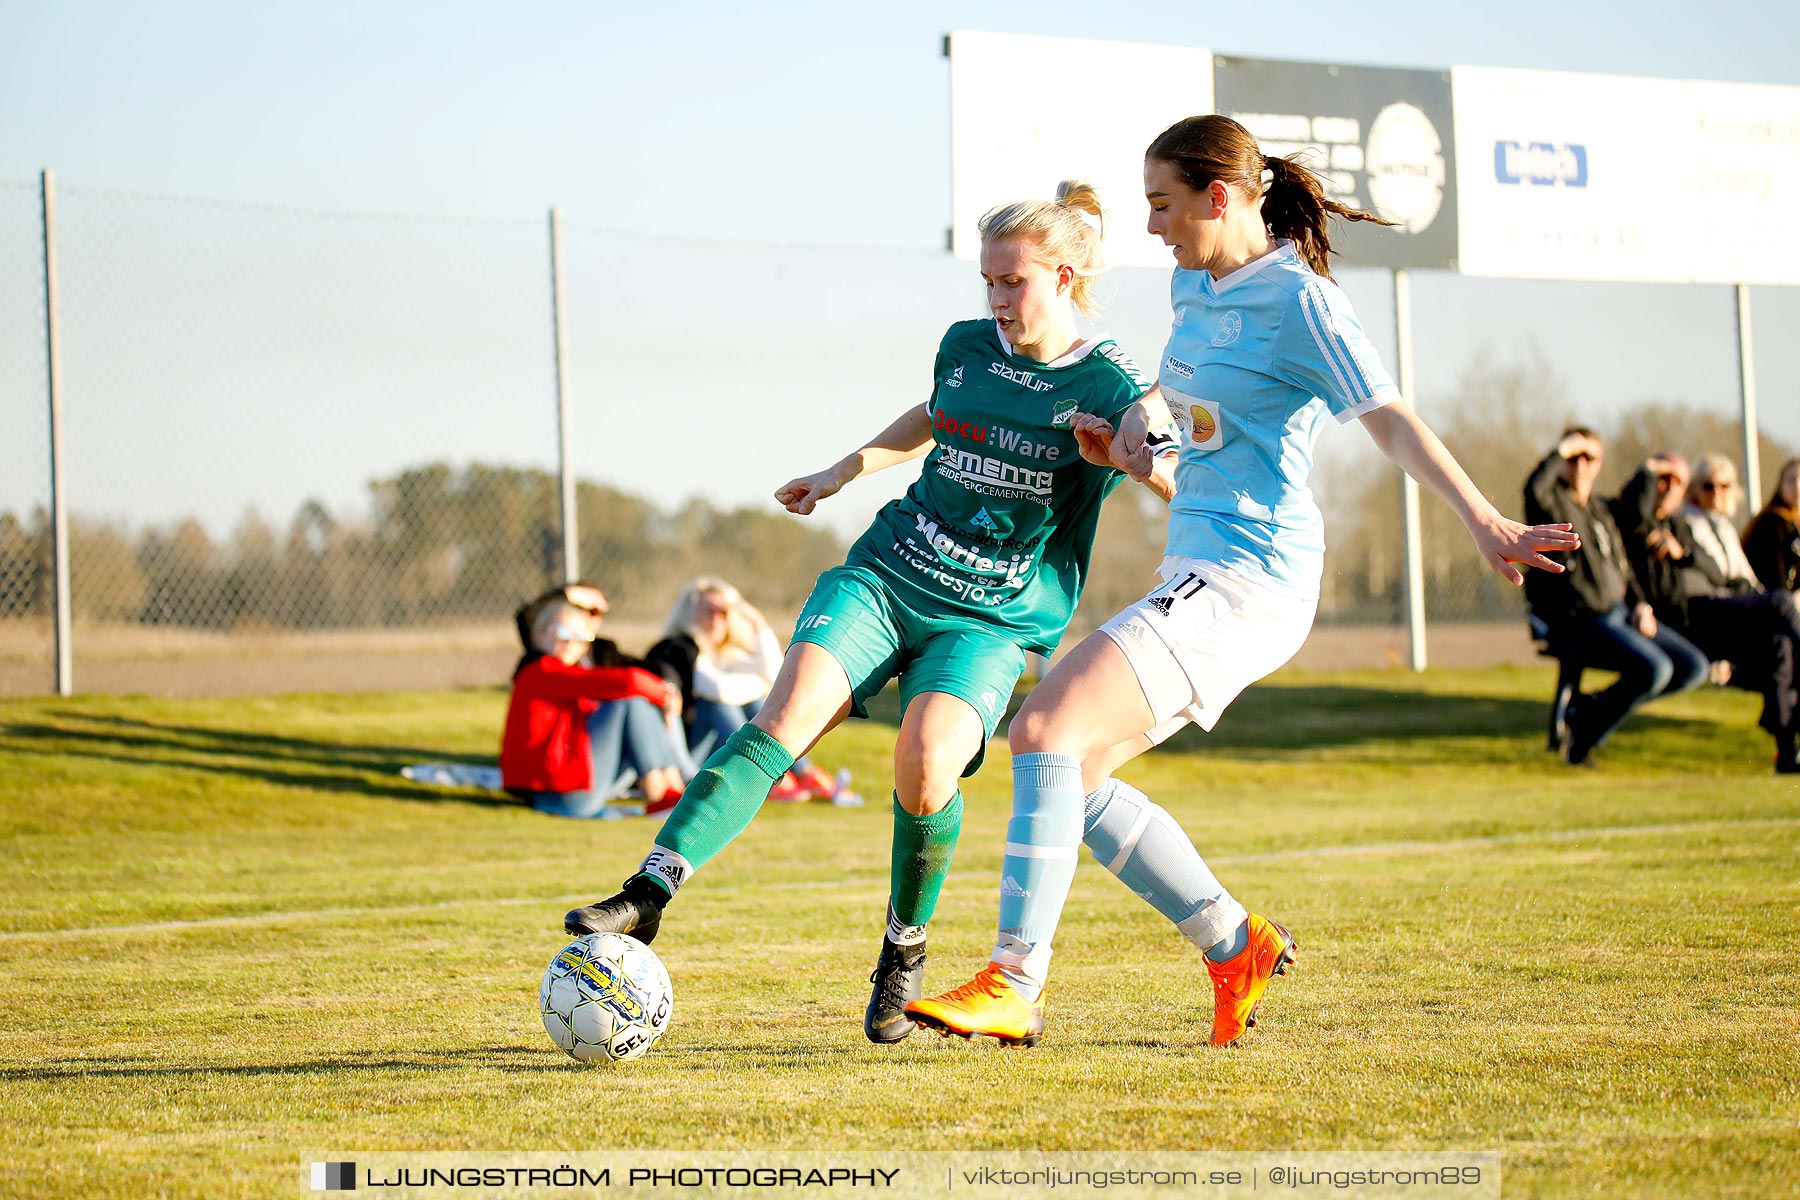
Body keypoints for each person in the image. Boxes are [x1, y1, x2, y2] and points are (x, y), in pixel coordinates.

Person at [903, 114, 1579, 1050]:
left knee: (1045, 729)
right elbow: (1190, 409)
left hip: (1251, 580)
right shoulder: (1194, 282)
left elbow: (1389, 420)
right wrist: (1139, 437)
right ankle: (1235, 944)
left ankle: (1017, 982)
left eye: (1163, 205)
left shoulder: (1303, 305)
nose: (1151, 229)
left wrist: (1486, 520)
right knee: (1078, 774)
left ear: (1220, 198)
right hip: (1200, 564)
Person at [562, 181, 1181, 1044]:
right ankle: (649, 890)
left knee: (925, 761)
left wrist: (1138, 456)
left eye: (1014, 282)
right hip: (889, 573)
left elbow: (1160, 470)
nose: (998, 301)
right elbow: (935, 415)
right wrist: (841, 471)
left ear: (1065, 277)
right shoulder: (965, 345)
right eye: (989, 283)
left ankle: (903, 946)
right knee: (784, 715)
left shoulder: (1108, 381)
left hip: (991, 622)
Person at [1522, 431, 1707, 766]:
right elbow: (1532, 490)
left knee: (1693, 667)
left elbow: (1625, 560)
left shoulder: (1601, 510)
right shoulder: (1554, 506)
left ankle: (1587, 715)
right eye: (1573, 457)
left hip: (1622, 611)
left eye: (1588, 457)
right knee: (1656, 669)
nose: (1580, 465)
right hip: (1582, 618)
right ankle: (1586, 733)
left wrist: (1640, 605)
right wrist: (1561, 450)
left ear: (1599, 464)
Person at [647, 579, 842, 801]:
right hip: (683, 754)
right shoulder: (679, 648)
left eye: (724, 613)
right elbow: (719, 691)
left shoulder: (725, 653)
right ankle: (765, 774)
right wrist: (762, 686)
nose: (717, 620)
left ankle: (802, 771)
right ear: (690, 613)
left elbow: (776, 674)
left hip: (717, 746)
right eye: (709, 611)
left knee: (755, 702)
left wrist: (758, 624)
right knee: (718, 705)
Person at [500, 600, 686, 817]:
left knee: (635, 704)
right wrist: (664, 694)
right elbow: (627, 682)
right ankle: (658, 794)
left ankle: (673, 789)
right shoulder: (539, 671)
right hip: (560, 795)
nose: (572, 643)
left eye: (582, 638)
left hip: (569, 787)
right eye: (563, 633)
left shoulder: (555, 672)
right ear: (539, 635)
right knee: (628, 702)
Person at [1675, 456, 1800, 773]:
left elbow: (1746, 578)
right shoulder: (1686, 522)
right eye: (1708, 485)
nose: (1716, 492)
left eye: (1723, 485)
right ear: (1696, 489)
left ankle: (1786, 753)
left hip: (1737, 606)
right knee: (1783, 603)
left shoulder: (1726, 526)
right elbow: (1719, 575)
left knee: (1780, 645)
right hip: (1708, 609)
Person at [1744, 457, 1800, 595]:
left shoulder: (1795, 522)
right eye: (1791, 480)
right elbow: (1775, 575)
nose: (1797, 487)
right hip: (1768, 599)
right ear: (1780, 484)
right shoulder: (1771, 521)